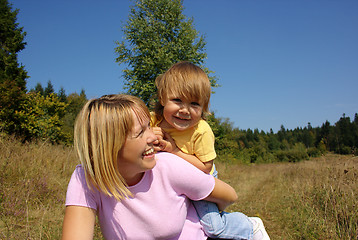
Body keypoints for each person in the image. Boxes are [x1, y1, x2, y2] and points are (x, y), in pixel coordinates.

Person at [62, 94, 243, 240]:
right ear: (109, 146)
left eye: (149, 126)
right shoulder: (87, 179)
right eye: (140, 132)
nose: (153, 137)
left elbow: (229, 195)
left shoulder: (167, 165)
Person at [151, 61, 270, 240]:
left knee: (213, 228)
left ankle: (250, 226)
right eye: (177, 100)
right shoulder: (152, 120)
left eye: (194, 104)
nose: (185, 110)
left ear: (204, 107)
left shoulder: (201, 130)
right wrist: (148, 133)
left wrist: (174, 150)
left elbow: (205, 167)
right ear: (162, 98)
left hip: (200, 178)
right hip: (171, 181)